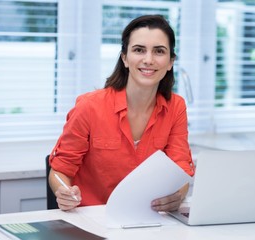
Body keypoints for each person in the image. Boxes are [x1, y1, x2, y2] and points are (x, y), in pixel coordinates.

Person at [48, 15, 195, 212]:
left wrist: (178, 196)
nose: (148, 59)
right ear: (125, 58)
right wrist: (65, 192)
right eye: (139, 50)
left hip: (147, 219)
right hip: (91, 219)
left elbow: (181, 171)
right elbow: (59, 170)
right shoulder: (90, 106)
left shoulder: (176, 107)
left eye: (159, 51)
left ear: (170, 62)